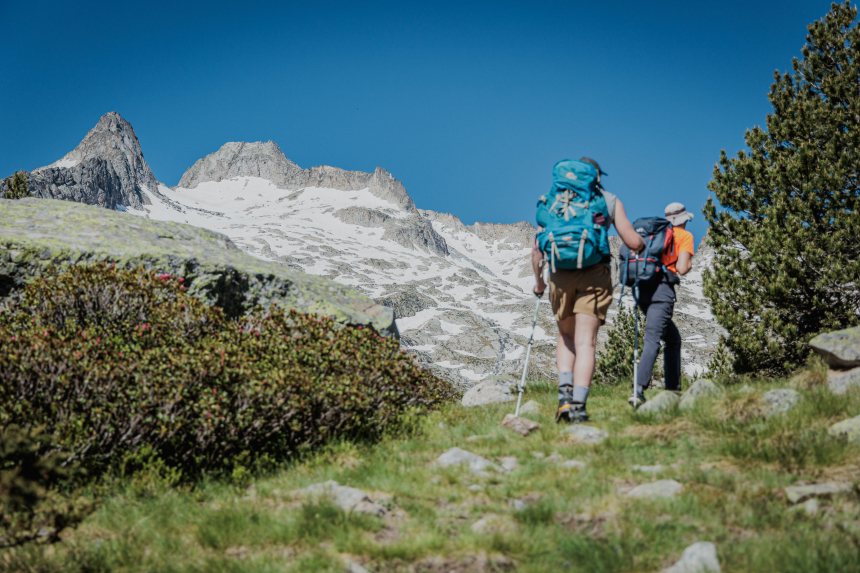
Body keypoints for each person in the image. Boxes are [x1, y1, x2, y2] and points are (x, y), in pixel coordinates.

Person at [532, 157, 645, 423]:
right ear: (596, 176)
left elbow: (537, 249)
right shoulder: (608, 200)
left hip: (560, 276)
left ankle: (563, 398)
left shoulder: (553, 202)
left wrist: (538, 282)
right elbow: (632, 241)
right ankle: (579, 407)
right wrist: (641, 241)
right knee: (586, 342)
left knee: (566, 337)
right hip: (595, 274)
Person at [628, 202, 695, 408]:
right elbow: (682, 268)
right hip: (662, 290)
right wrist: (689, 263)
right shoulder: (684, 237)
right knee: (653, 339)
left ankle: (673, 390)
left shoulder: (655, 235)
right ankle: (638, 390)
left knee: (673, 339)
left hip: (643, 290)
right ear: (684, 220)